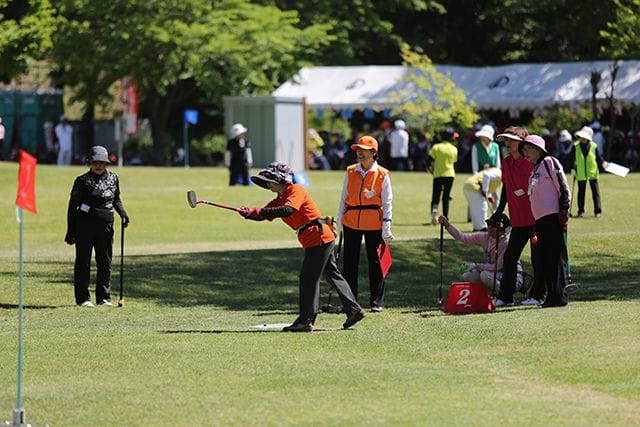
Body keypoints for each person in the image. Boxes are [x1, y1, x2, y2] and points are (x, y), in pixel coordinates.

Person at [239, 162, 366, 332]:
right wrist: (248, 213)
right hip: (317, 238)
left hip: (318, 237)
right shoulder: (279, 199)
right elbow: (264, 213)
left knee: (308, 278)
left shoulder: (295, 191)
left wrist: (260, 212)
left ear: (280, 179)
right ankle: (354, 310)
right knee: (331, 274)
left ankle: (305, 321)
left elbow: (287, 210)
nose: (268, 184)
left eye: (270, 180)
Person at [64, 146, 130, 307]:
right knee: (83, 262)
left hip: (106, 226)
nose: (98, 165)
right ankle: (83, 299)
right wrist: (70, 231)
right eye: (95, 162)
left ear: (106, 163)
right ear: (90, 163)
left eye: (101, 162)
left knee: (105, 261)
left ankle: (104, 298)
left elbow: (116, 199)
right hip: (84, 226)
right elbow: (72, 207)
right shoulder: (82, 181)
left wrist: (123, 214)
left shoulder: (113, 179)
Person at [337, 136, 394, 313]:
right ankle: (350, 301)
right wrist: (340, 223)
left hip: (374, 223)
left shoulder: (383, 174)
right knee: (349, 263)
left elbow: (388, 202)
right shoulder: (350, 171)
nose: (359, 153)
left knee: (375, 263)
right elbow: (343, 198)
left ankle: (376, 302)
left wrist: (387, 228)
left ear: (374, 152)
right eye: (358, 150)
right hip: (351, 221)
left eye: (364, 150)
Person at [493, 127, 545, 306]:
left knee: (538, 258)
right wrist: (499, 211)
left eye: (511, 140)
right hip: (518, 219)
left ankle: (538, 295)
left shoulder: (531, 161)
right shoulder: (506, 162)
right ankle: (506, 297)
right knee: (510, 257)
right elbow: (507, 189)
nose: (507, 143)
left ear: (522, 142)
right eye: (505, 140)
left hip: (537, 217)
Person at [520, 134, 571, 308]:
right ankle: (551, 296)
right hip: (540, 221)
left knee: (556, 258)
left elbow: (563, 187)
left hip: (554, 217)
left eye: (528, 149)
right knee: (545, 259)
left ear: (539, 149)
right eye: (524, 150)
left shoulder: (550, 162)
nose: (525, 153)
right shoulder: (534, 169)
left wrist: (564, 210)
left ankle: (559, 297)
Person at [438, 214, 521, 293]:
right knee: (468, 276)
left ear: (504, 230)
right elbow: (463, 237)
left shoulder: (506, 243)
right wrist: (447, 225)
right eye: (489, 224)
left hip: (513, 279)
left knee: (485, 275)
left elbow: (497, 267)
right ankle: (487, 295)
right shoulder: (485, 237)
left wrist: (476, 266)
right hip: (495, 275)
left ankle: (505, 296)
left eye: (495, 226)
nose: (490, 227)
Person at [570, 125, 608, 218]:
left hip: (592, 172)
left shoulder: (594, 146)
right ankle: (580, 211)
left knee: (595, 193)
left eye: (584, 137)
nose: (582, 139)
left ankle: (597, 211)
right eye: (581, 137)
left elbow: (598, 157)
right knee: (581, 193)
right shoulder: (575, 146)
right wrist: (572, 169)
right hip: (580, 172)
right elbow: (571, 158)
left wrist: (603, 163)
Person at [429, 128, 458, 225]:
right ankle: (445, 217)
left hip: (438, 174)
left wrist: (431, 169)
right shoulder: (454, 149)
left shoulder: (436, 147)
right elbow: (454, 161)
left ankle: (434, 209)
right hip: (450, 174)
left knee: (436, 195)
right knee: (446, 196)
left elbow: (428, 159)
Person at [463, 167, 502, 232]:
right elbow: (486, 175)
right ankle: (483, 227)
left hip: (468, 186)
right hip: (474, 186)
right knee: (483, 206)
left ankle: (477, 227)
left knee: (475, 208)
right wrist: (485, 191)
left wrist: (488, 195)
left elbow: (487, 181)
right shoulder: (499, 173)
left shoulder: (495, 171)